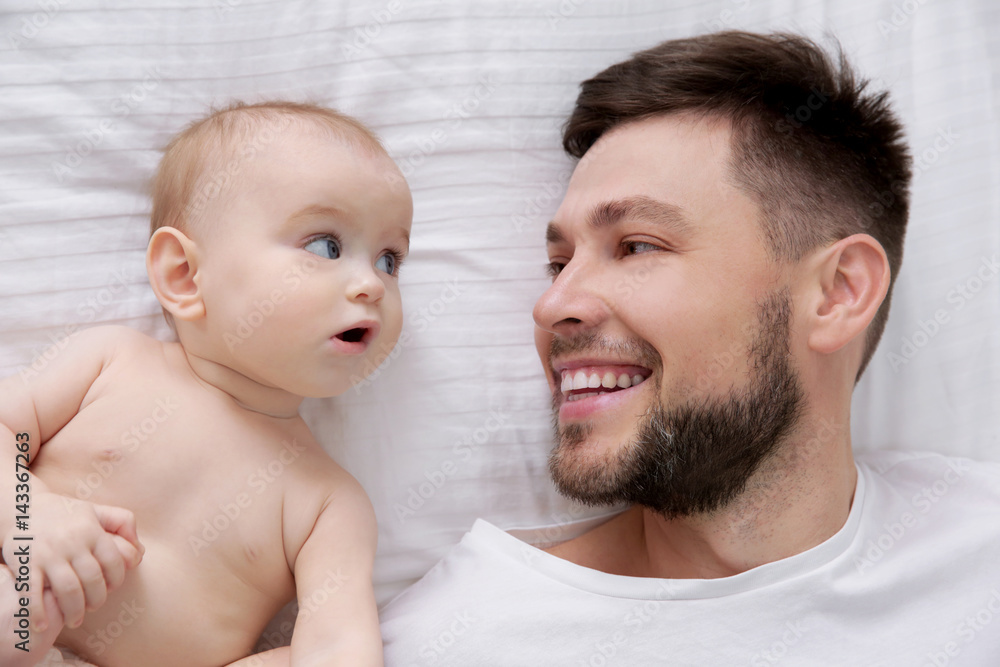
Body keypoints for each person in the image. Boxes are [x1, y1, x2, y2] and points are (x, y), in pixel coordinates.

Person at [379, 31, 1000, 664]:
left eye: (636, 246)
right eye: (557, 262)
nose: (551, 307)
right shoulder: (453, 639)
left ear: (839, 293)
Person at [0, 101, 413, 666]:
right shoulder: (109, 362)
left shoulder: (328, 502)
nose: (370, 283)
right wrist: (30, 514)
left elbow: (339, 637)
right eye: (326, 246)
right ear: (185, 276)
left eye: (390, 259)